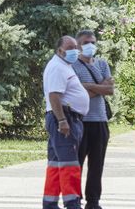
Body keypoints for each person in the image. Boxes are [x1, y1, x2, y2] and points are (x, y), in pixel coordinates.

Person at [43, 36, 90, 209]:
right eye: (70, 48)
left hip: (63, 118)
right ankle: (72, 203)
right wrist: (62, 120)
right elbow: (54, 95)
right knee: (69, 164)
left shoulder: (63, 66)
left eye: (76, 47)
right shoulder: (58, 67)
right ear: (60, 50)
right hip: (64, 118)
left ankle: (50, 203)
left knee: (56, 164)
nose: (74, 50)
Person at [71, 29, 115, 209]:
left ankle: (93, 201)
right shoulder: (73, 65)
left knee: (97, 165)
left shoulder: (102, 64)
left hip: (100, 121)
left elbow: (110, 90)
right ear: (78, 45)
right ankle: (74, 200)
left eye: (93, 42)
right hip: (80, 121)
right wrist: (99, 87)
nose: (90, 46)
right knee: (77, 164)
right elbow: (76, 93)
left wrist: (87, 87)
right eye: (86, 43)